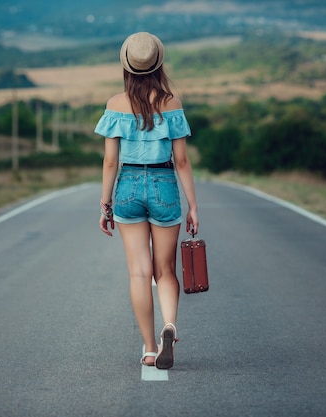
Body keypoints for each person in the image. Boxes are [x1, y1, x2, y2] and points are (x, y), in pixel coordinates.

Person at [95, 32, 199, 369]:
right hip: (165, 184)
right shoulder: (172, 103)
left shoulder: (115, 104)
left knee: (139, 273)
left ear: (127, 66)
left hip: (127, 187)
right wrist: (193, 205)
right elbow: (182, 161)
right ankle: (170, 324)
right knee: (165, 271)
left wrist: (105, 203)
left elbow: (110, 161)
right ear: (158, 64)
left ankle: (151, 348)